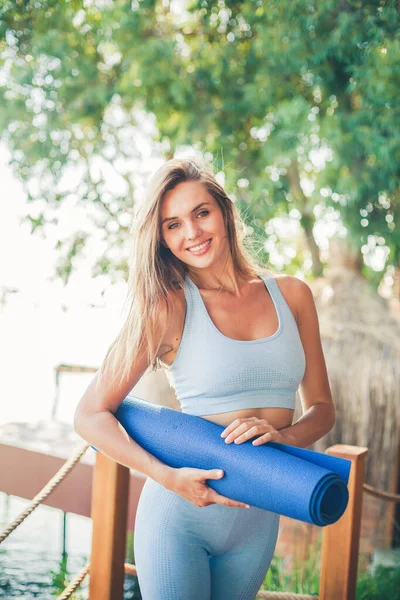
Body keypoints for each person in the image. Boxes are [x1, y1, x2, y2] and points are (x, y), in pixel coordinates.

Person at [74, 156, 336, 600]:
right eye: (173, 225)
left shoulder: (293, 295)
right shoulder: (167, 308)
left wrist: (285, 438)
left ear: (225, 211)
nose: (192, 233)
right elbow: (89, 415)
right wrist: (166, 476)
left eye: (201, 213)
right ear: (161, 238)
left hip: (259, 514)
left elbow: (323, 409)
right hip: (179, 515)